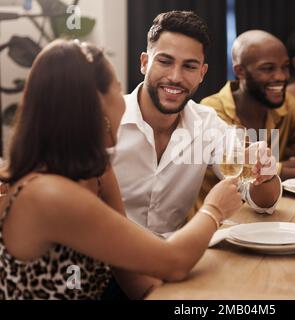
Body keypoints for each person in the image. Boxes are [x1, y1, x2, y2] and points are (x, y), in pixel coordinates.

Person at [0, 39, 243, 300]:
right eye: (117, 90)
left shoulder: (99, 172)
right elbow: (174, 262)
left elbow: (136, 280)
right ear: (96, 106)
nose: (125, 103)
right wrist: (214, 209)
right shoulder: (48, 194)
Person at [111, 11, 281, 237]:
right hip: (108, 260)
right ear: (144, 63)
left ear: (202, 73)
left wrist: (265, 174)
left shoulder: (207, 124)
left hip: (177, 258)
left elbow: (262, 201)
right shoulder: (107, 120)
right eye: (164, 61)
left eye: (189, 66)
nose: (175, 77)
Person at [198, 30, 295, 210]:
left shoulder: (286, 105)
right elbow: (242, 177)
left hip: (267, 213)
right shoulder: (212, 110)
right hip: (216, 223)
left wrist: (278, 167)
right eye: (268, 68)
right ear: (239, 71)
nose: (281, 76)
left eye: (285, 67)